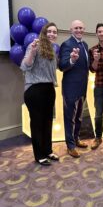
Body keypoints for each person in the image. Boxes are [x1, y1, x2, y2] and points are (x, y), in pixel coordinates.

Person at [20, 22, 59, 166]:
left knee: (48, 122)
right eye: (49, 31)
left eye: (54, 32)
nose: (52, 34)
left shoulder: (52, 49)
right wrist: (32, 52)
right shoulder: (33, 46)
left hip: (49, 89)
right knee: (37, 124)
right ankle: (39, 155)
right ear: (43, 32)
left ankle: (48, 150)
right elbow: (25, 66)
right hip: (35, 90)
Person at [58, 20, 89, 158]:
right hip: (70, 88)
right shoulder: (67, 44)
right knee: (69, 117)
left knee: (78, 117)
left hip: (82, 88)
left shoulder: (85, 44)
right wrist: (71, 60)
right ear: (71, 30)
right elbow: (62, 66)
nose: (79, 30)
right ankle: (70, 146)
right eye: (76, 28)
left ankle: (76, 139)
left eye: (81, 28)